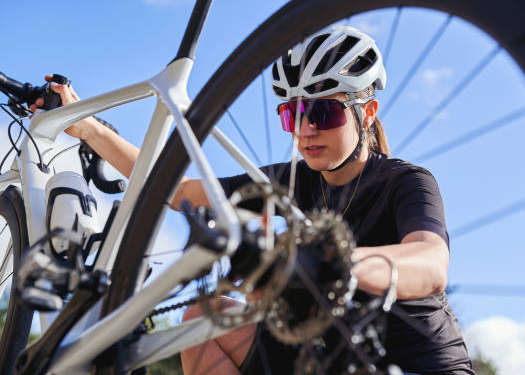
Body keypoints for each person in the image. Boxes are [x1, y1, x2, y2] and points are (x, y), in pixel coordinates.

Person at [33, 26, 474, 374]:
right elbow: (180, 190)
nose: (305, 131)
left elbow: (430, 263)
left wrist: (332, 263)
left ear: (367, 111)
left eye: (322, 112)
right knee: (202, 321)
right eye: (292, 114)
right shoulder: (295, 180)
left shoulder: (407, 181)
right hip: (335, 364)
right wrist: (89, 127)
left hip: (421, 366)